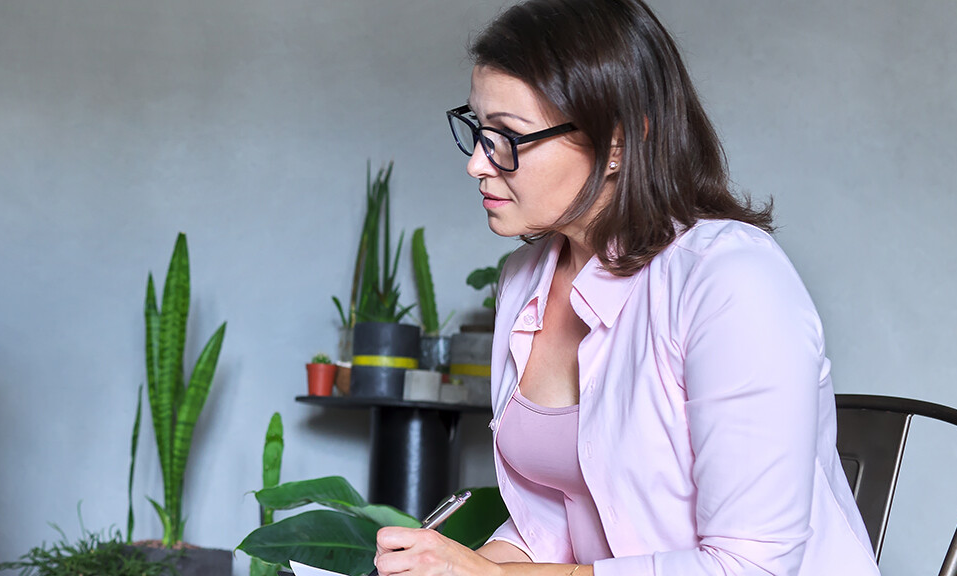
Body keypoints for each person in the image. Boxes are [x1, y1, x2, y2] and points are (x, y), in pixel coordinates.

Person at [372, 0, 880, 574]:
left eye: (508, 136)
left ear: (617, 143)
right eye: (478, 130)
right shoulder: (525, 280)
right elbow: (556, 513)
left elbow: (751, 566)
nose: (479, 165)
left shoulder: (730, 281)